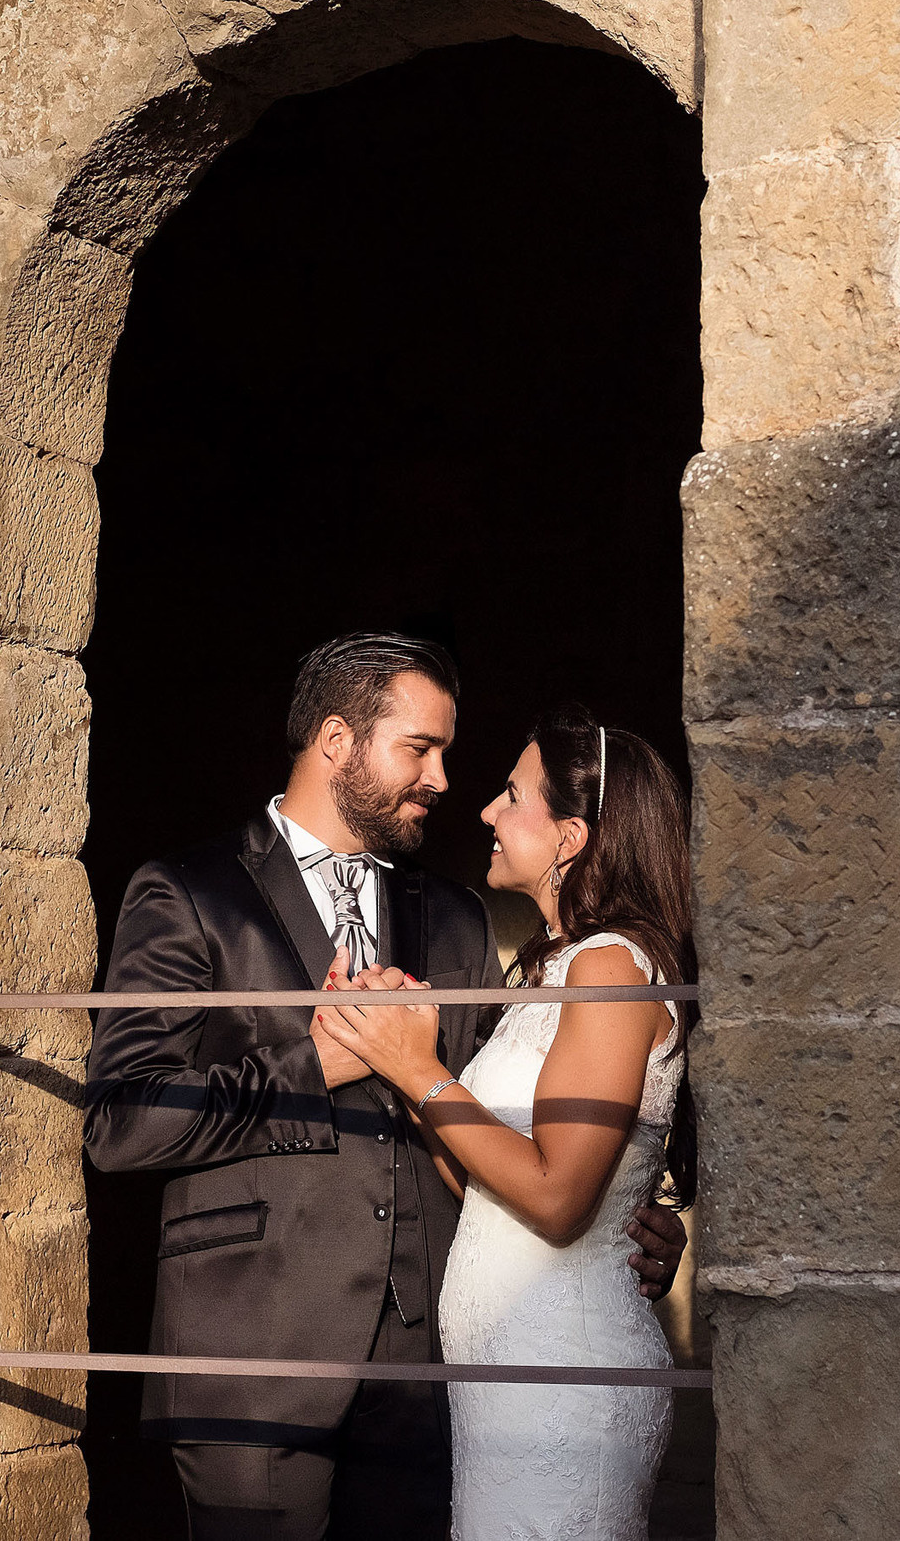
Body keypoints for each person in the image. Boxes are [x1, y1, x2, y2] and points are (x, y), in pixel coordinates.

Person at [83, 637, 686, 1541]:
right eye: (421, 748)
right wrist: (316, 1065)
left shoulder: (453, 915)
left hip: (431, 1377)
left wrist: (639, 1208)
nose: (444, 778)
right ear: (336, 740)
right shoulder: (188, 891)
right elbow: (120, 1121)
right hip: (255, 1360)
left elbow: (518, 1121)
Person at [317, 704, 697, 1540]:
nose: (486, 810)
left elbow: (558, 1195)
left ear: (571, 835)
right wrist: (399, 1052)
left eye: (512, 793)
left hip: (565, 1380)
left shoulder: (609, 967)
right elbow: (483, 1176)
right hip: (507, 1386)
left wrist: (422, 1069)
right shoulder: (553, 966)